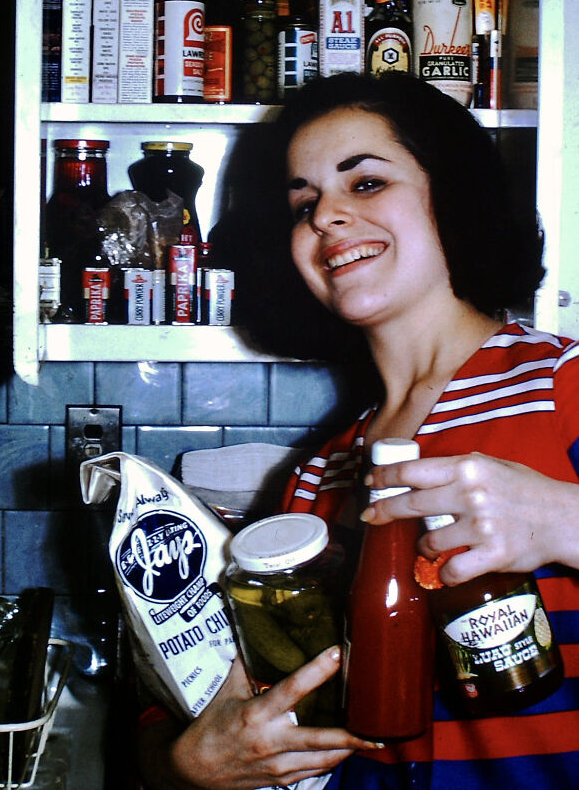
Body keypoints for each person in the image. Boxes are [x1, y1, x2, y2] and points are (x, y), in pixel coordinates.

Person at [137, 72, 579, 790]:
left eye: (366, 184)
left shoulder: (563, 388)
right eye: (304, 201)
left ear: (454, 194)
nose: (325, 218)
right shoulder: (321, 477)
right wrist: (183, 764)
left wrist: (567, 521)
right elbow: (210, 686)